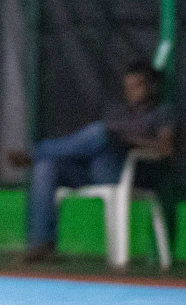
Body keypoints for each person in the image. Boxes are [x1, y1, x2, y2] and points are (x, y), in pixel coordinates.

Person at [10, 61, 175, 263]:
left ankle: (35, 153)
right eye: (128, 87)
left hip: (127, 172)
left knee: (101, 132)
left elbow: (165, 149)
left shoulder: (163, 112)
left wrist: (126, 140)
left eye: (137, 86)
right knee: (46, 167)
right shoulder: (119, 112)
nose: (131, 92)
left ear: (151, 86)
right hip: (92, 168)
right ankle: (41, 245)